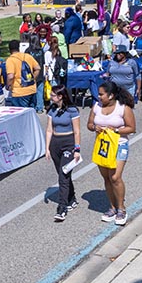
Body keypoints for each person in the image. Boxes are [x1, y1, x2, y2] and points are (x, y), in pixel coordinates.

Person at [88, 81, 136, 227]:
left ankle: (121, 208)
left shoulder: (123, 108)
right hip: (103, 146)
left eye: (102, 94)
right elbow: (89, 124)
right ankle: (112, 207)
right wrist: (95, 127)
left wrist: (115, 130)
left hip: (119, 145)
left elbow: (131, 128)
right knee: (107, 177)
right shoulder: (96, 106)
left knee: (115, 177)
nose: (99, 96)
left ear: (111, 95)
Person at [45, 87, 83, 222]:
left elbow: (77, 131)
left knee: (63, 176)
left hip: (68, 143)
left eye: (53, 95)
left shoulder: (72, 111)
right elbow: (49, 129)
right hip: (55, 143)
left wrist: (77, 149)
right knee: (63, 175)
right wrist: (47, 148)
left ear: (61, 96)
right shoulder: (52, 110)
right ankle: (72, 198)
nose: (51, 97)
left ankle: (62, 207)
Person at [4, 39, 40, 108]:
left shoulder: (10, 60)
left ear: (10, 49)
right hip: (32, 89)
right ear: (19, 47)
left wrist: (8, 85)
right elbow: (37, 68)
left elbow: (11, 76)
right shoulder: (27, 56)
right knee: (31, 114)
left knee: (21, 115)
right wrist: (32, 79)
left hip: (19, 92)